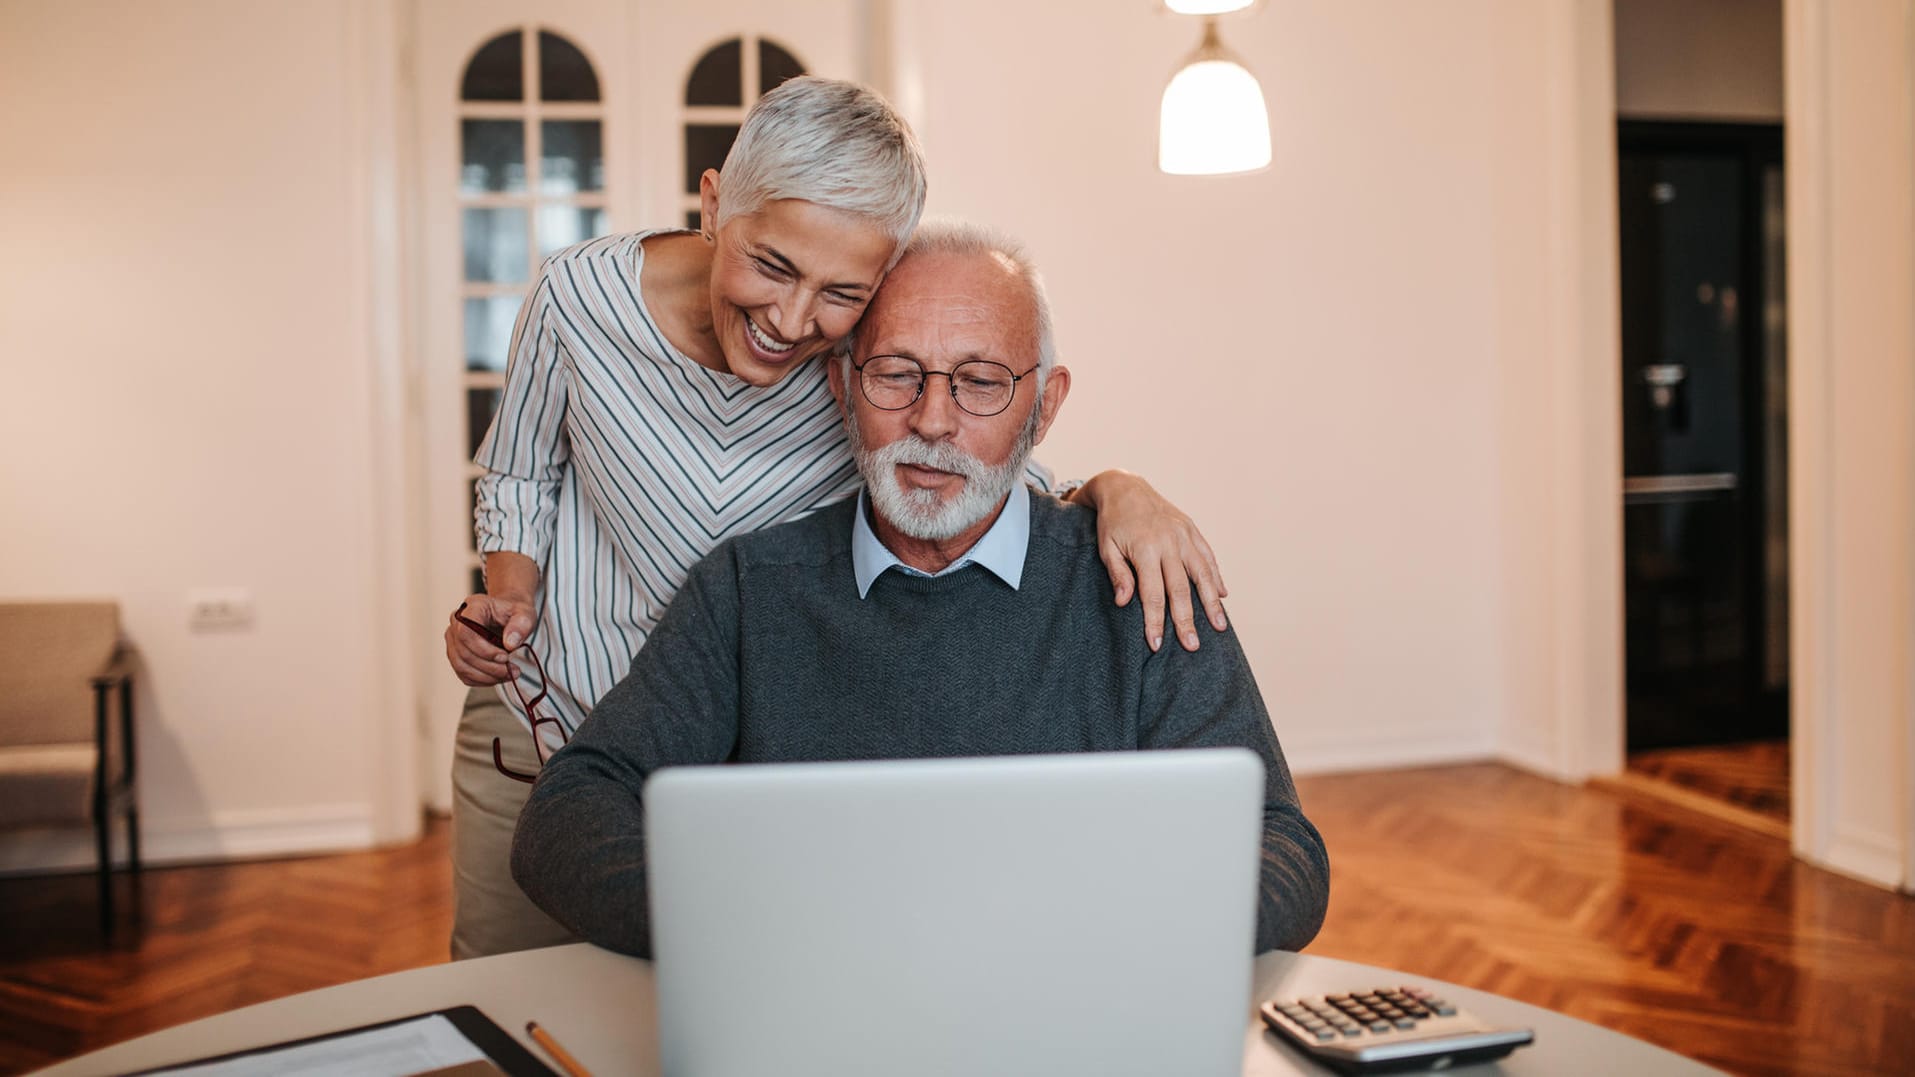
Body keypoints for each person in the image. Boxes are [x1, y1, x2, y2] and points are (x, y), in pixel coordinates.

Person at [443, 78, 1233, 960]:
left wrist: (1118, 488)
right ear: (712, 206)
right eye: (771, 265)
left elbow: (983, 465)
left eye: (841, 292)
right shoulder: (577, 298)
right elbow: (517, 471)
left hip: (723, 743)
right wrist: (508, 599)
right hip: (551, 708)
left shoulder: (851, 371)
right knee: (506, 987)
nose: (788, 320)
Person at [511, 222, 1331, 957]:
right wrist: (754, 929)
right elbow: (566, 815)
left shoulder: (1140, 582)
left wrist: (1091, 937)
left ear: (1043, 407)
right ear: (840, 388)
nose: (931, 420)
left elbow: (1281, 849)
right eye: (896, 374)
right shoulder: (747, 590)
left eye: (979, 383)